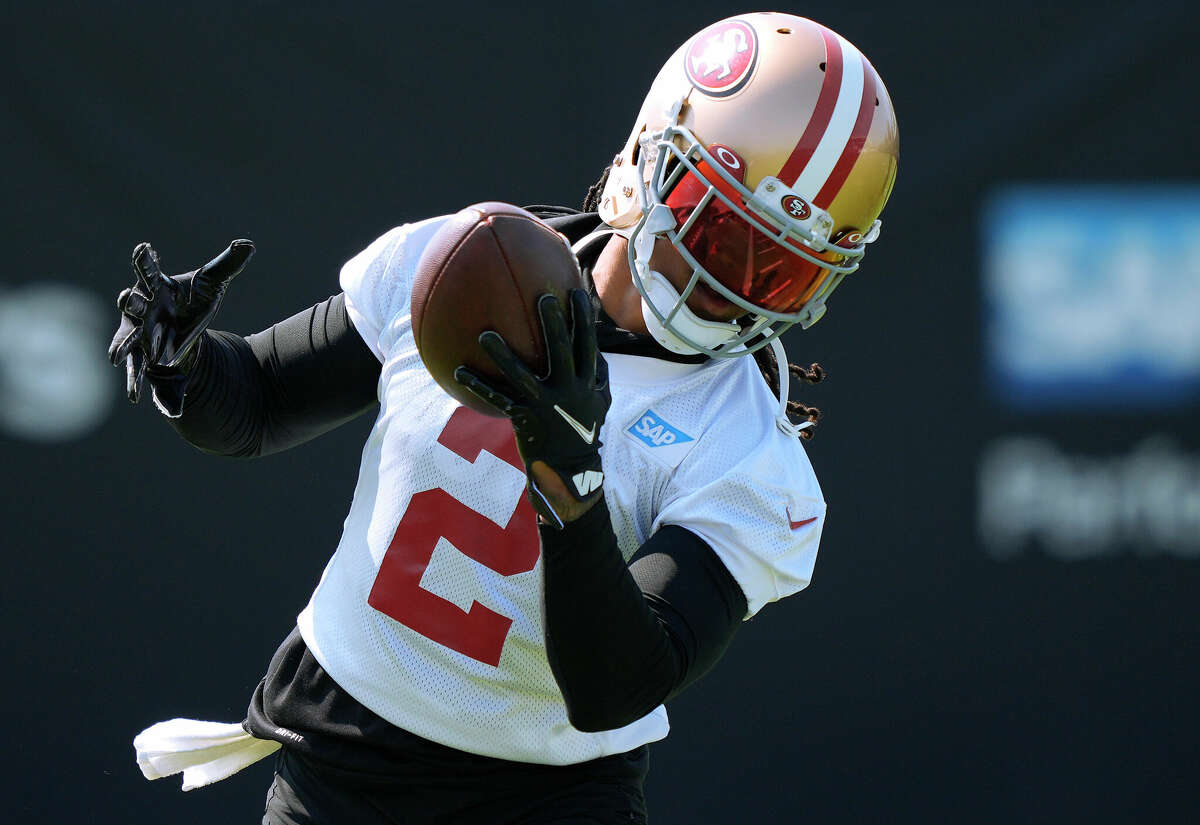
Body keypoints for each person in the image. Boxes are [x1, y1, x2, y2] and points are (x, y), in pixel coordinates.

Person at [113, 12, 898, 824]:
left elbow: (616, 687)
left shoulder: (747, 455)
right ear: (644, 162)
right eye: (721, 231)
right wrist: (187, 363)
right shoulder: (465, 266)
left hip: (545, 801)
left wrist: (573, 484)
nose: (732, 286)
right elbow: (257, 405)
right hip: (332, 765)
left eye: (778, 273)